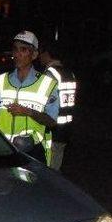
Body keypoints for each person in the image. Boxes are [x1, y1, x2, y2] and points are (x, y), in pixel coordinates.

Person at [0, 31, 59, 164]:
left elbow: (52, 121)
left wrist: (28, 112)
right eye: (15, 49)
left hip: (33, 153)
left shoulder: (47, 84)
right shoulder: (1, 81)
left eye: (23, 50)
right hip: (5, 151)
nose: (17, 54)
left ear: (34, 54)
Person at [39, 41, 77, 171]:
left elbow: (43, 101)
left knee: (48, 168)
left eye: (41, 53)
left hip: (52, 127)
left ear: (47, 54)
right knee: (56, 165)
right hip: (66, 127)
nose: (39, 56)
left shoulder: (50, 74)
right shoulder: (69, 73)